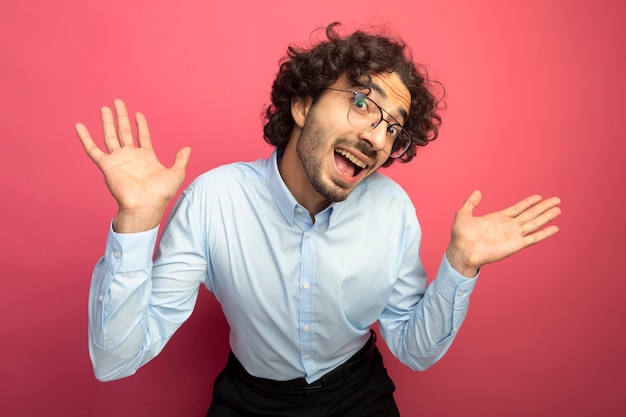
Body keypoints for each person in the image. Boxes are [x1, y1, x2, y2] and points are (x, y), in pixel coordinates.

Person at [75, 23, 561, 416]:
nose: (377, 136)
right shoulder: (213, 201)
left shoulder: (391, 210)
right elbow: (115, 359)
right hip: (253, 400)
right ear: (304, 104)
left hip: (359, 394)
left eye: (392, 127)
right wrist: (137, 222)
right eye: (361, 103)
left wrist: (459, 266)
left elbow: (414, 348)